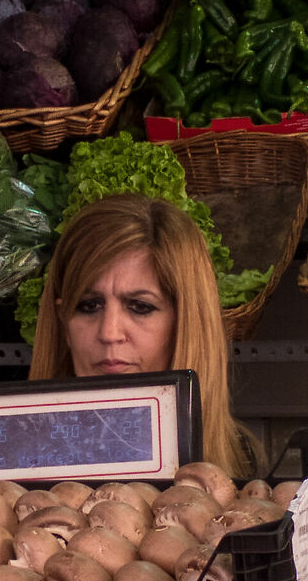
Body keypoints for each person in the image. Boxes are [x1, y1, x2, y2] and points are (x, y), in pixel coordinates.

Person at [27, 194, 257, 476]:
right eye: (88, 306)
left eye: (140, 307)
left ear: (187, 323)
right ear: (63, 323)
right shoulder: (2, 469)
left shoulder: (246, 467)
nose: (110, 333)